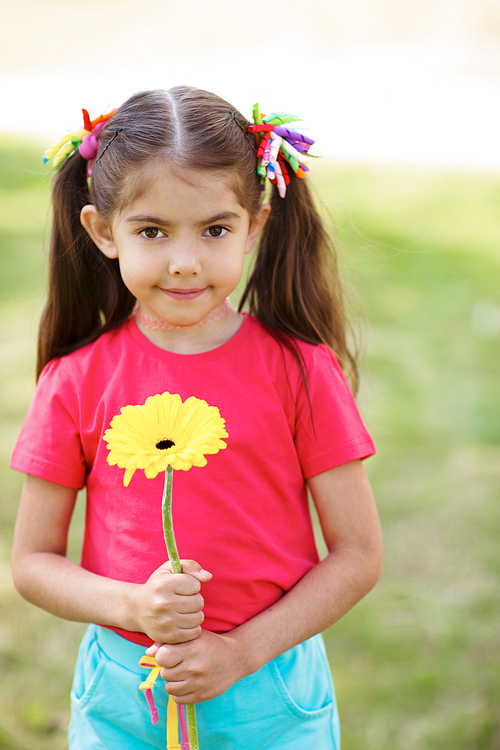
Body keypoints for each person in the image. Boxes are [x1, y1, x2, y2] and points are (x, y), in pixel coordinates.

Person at [10, 86, 383, 750]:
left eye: (215, 230)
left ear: (255, 226)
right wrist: (131, 606)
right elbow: (33, 562)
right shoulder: (73, 381)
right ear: (102, 232)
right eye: (152, 231)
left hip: (268, 691)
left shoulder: (300, 370)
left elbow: (357, 554)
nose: (185, 261)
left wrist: (241, 652)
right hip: (125, 698)